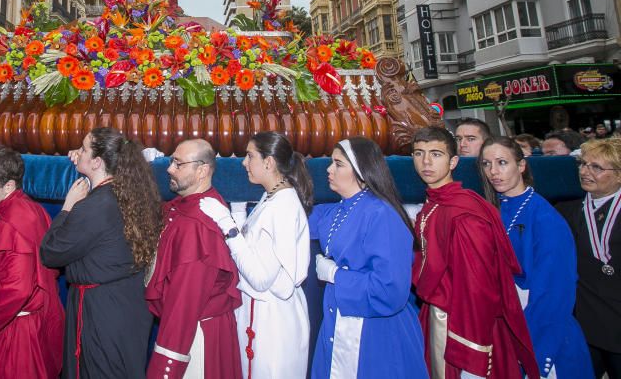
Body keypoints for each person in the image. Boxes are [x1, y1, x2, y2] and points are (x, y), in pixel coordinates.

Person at [410, 126, 539, 379]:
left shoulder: (464, 211)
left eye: (436, 154)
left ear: (453, 161)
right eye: (418, 153)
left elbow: (478, 286)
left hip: (462, 325)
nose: (426, 162)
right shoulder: (435, 203)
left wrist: (473, 356)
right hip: (437, 314)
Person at [39, 128, 162, 379]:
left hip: (102, 312)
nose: (77, 152)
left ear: (97, 162)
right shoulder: (131, 192)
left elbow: (51, 252)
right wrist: (83, 156)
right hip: (128, 304)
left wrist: (67, 207)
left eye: (83, 149)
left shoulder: (95, 206)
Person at [308, 137, 428, 379]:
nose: (329, 170)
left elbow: (390, 290)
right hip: (338, 324)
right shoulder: (335, 210)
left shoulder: (382, 214)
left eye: (338, 164)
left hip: (376, 333)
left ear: (361, 169)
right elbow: (295, 223)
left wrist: (336, 275)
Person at [477, 136, 594, 379]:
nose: (493, 172)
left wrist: (532, 354)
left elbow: (553, 293)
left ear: (521, 166)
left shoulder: (545, 218)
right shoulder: (491, 210)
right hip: (504, 331)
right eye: (486, 164)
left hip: (543, 334)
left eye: (502, 162)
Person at [199, 132, 312, 379]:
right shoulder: (272, 196)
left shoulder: (282, 205)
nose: (243, 162)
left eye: (250, 156)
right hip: (261, 312)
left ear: (269, 162)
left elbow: (261, 279)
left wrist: (227, 225)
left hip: (273, 320)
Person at [144, 138, 242, 379]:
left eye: (178, 164)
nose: (169, 169)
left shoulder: (196, 227)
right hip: (189, 324)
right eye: (171, 161)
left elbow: (185, 301)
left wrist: (166, 366)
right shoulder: (184, 206)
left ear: (202, 170)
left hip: (193, 334)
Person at [0, 148, 64, 378]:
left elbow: (16, 289)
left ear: (9, 186)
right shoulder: (32, 208)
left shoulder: (14, 223)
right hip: (32, 321)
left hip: (16, 331)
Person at [558, 136, 621, 378]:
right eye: (583, 164)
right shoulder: (566, 211)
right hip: (584, 323)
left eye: (596, 167)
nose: (585, 172)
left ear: (619, 174)